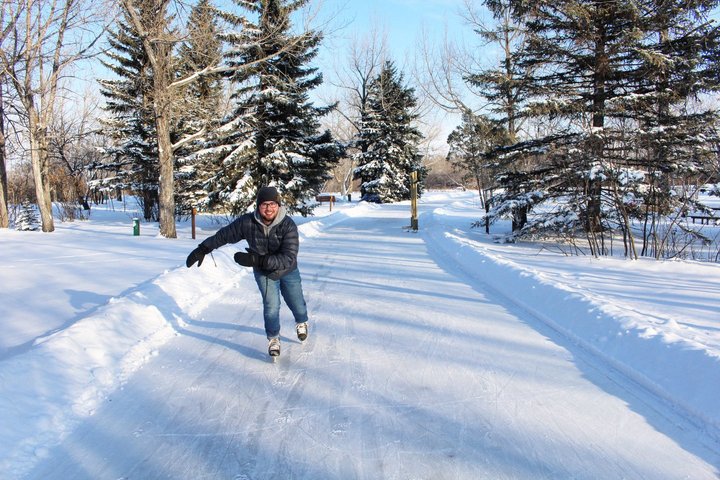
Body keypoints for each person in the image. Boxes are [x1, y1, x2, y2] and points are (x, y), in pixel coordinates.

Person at [185, 186, 309, 358]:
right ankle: (273, 338)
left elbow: (288, 257)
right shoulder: (248, 222)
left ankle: (301, 321)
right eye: (264, 204)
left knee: (296, 303)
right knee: (271, 306)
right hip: (264, 273)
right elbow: (225, 235)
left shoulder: (287, 225)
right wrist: (204, 248)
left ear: (278, 205)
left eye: (272, 204)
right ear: (258, 206)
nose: (269, 208)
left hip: (288, 270)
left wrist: (257, 260)